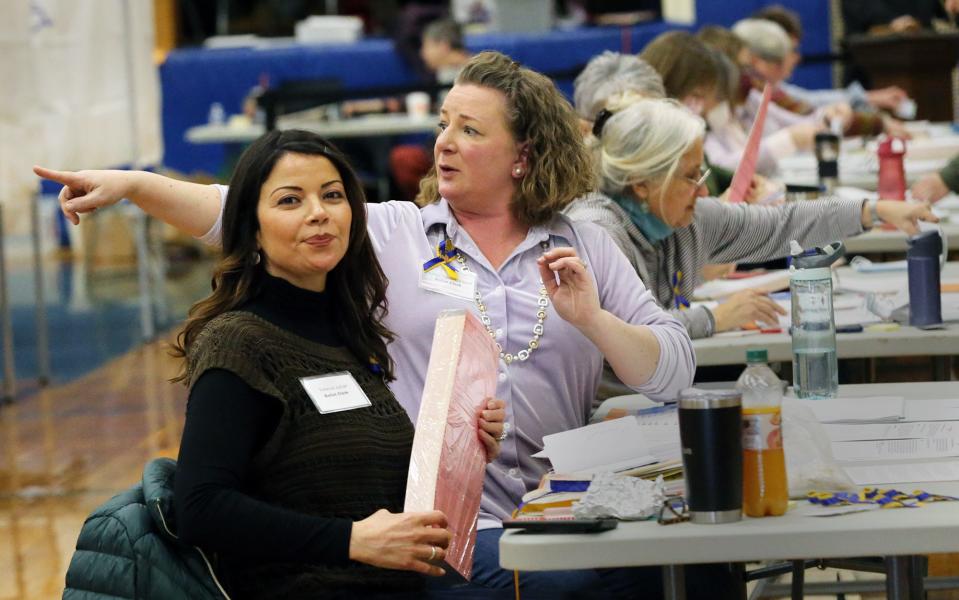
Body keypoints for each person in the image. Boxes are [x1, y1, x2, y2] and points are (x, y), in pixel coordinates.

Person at [35, 51, 693, 598]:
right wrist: (134, 185)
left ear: (522, 155)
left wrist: (593, 320)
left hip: (565, 506)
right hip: (443, 530)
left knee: (685, 569)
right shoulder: (394, 233)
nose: (442, 142)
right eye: (443, 123)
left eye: (468, 129)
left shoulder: (583, 245)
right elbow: (243, 211)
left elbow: (672, 372)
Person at [95, 129, 503, 598]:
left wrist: (462, 445)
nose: (318, 213)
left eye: (332, 196)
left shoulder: (352, 337)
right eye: (291, 201)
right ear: (251, 227)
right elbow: (201, 508)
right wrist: (350, 541)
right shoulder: (240, 343)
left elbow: (358, 479)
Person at [565, 97, 939, 341]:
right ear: (642, 184)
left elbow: (779, 225)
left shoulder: (682, 217)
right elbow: (627, 333)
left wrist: (871, 210)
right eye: (691, 176)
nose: (704, 191)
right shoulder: (598, 233)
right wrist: (715, 317)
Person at [752, 4, 912, 113]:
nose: (797, 58)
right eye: (791, 50)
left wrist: (868, 98)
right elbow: (808, 107)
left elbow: (806, 100)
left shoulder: (770, 88)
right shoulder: (751, 92)